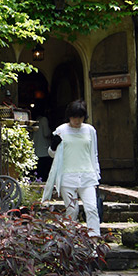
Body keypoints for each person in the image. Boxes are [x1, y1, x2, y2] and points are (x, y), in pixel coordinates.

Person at [41, 99, 101, 238]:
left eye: (80, 117)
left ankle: (94, 242)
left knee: (92, 209)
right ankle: (71, 241)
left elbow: (94, 153)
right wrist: (54, 146)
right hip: (67, 177)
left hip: (87, 176)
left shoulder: (90, 130)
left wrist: (97, 176)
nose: (77, 120)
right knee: (72, 211)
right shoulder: (61, 130)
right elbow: (52, 154)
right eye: (74, 117)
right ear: (69, 116)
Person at [30, 105, 52, 181]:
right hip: (44, 150)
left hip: (36, 150)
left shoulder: (34, 121)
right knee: (44, 173)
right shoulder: (44, 119)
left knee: (37, 173)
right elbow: (46, 133)